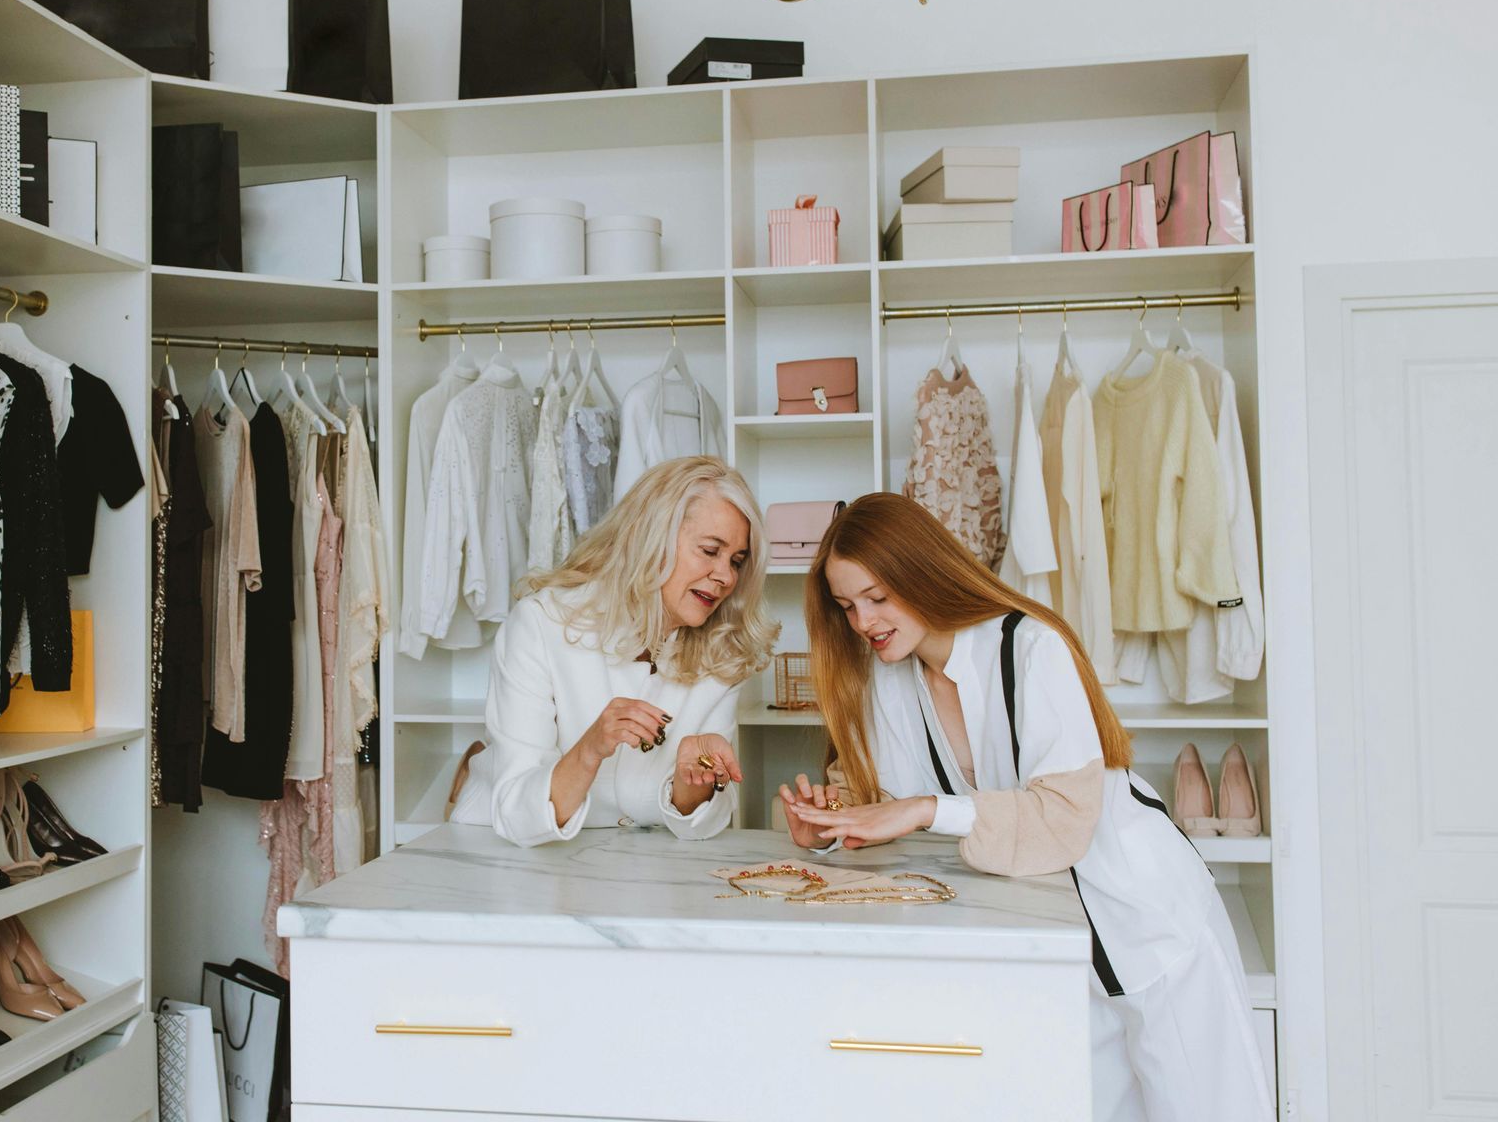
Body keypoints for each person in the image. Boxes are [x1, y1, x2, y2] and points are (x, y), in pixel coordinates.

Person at [781, 492, 1270, 1122]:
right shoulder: (887, 680)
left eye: (877, 597)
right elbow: (872, 797)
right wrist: (828, 821)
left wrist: (929, 809)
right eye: (847, 606)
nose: (863, 621)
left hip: (1149, 925)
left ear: (922, 572)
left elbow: (1063, 817)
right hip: (1049, 948)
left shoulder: (1033, 648)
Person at [454, 456, 778, 847]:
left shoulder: (722, 653)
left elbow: (703, 824)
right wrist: (590, 749)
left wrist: (693, 782)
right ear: (651, 537)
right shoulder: (542, 624)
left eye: (736, 561)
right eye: (710, 551)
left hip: (631, 876)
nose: (726, 576)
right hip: (500, 859)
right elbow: (516, 813)